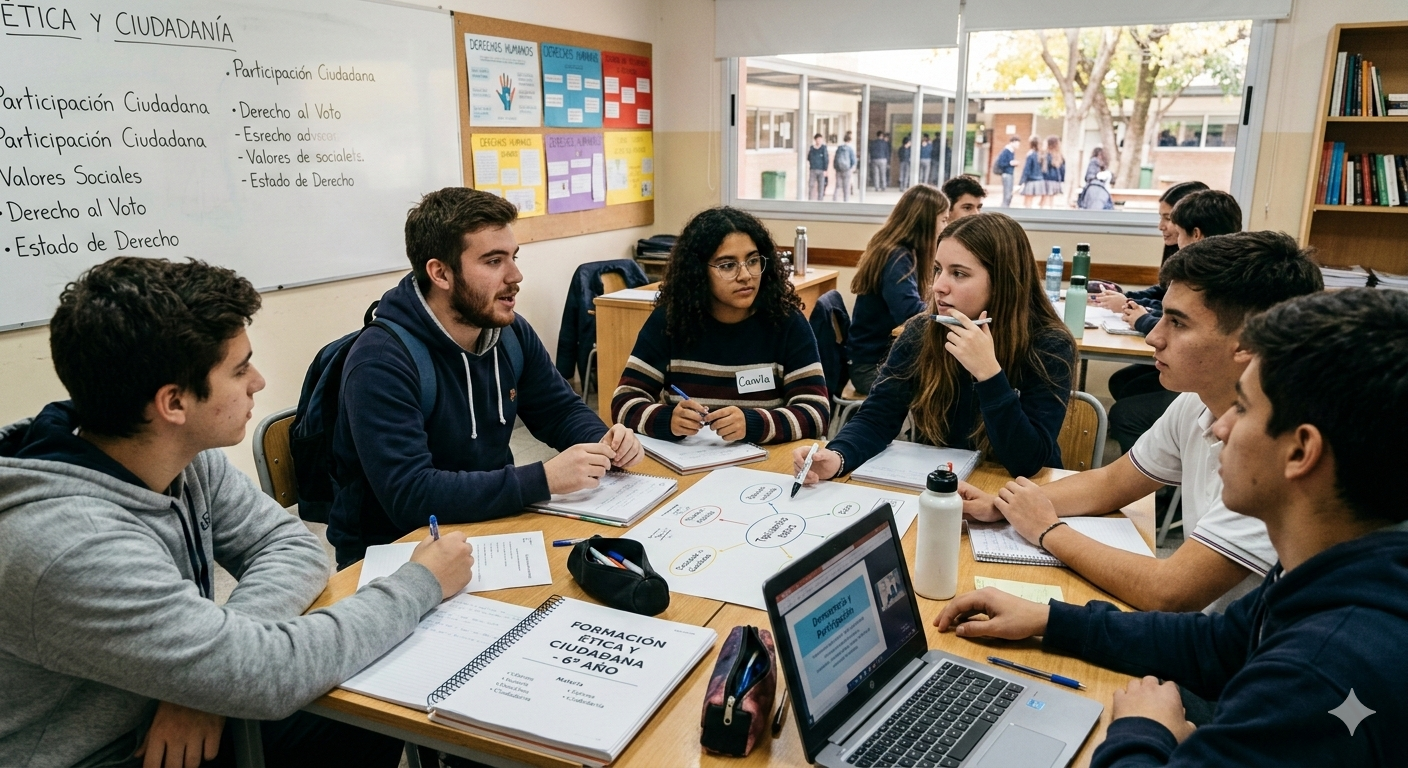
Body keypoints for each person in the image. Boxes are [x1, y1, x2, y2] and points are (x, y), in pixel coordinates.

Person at [0, 257, 476, 768]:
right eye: (240, 367)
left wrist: (209, 678)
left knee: (375, 689)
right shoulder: (74, 545)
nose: (259, 382)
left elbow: (289, 546)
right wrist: (419, 582)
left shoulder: (175, 454)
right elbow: (270, 672)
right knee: (369, 666)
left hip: (166, 714)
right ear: (173, 403)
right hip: (104, 755)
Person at [936, 288, 1408, 767]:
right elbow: (1214, 644)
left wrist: (1142, 731)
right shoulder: (1329, 570)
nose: (1219, 428)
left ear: (1301, 452)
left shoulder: (1316, 676)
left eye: (1242, 410)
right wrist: (1052, 620)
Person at [962, 231, 1324, 613]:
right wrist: (1002, 506)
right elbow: (1112, 482)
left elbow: (1169, 591)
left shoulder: (1279, 451)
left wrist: (1048, 531)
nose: (1153, 335)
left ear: (1248, 342)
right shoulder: (1194, 403)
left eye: (1178, 323)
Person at [329, 188, 643, 567]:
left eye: (513, 257)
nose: (515, 276)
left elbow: (559, 411)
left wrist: (605, 442)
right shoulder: (380, 361)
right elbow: (410, 497)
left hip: (489, 525)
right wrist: (543, 479)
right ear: (440, 273)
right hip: (396, 552)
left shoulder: (509, 333)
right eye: (494, 261)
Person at [797, 213, 1076, 482]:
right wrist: (837, 455)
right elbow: (877, 416)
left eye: (959, 274)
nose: (939, 286)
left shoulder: (1049, 344)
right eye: (938, 270)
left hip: (1019, 495)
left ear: (1003, 281)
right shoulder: (923, 331)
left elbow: (1026, 462)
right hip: (945, 486)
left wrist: (989, 374)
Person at [612, 207, 829, 444]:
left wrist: (754, 424)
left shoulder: (786, 322)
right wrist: (668, 419)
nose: (745, 275)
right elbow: (624, 403)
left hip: (765, 468)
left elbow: (816, 413)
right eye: (728, 266)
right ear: (698, 272)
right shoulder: (671, 321)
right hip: (690, 465)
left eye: (753, 261)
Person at [1096, 184, 1234, 455]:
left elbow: (1173, 314)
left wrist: (1140, 316)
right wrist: (1130, 299)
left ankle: (1163, 486)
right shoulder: (1196, 265)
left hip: (1210, 381)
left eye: (1170, 221)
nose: (1163, 227)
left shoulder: (1215, 276)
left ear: (1195, 234)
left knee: (1126, 414)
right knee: (1126, 383)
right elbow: (1163, 297)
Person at [846, 185, 951, 394]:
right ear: (926, 221)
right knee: (945, 383)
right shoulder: (896, 256)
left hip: (876, 361)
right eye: (944, 220)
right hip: (870, 369)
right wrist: (949, 312)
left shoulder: (902, 252)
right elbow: (909, 311)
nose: (946, 227)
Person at [992, 135, 1021, 207]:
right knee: (1007, 194)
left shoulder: (1011, 151)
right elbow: (1001, 163)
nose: (1018, 146)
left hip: (1009, 173)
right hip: (1006, 174)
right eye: (1017, 143)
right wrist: (1011, 163)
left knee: (1009, 193)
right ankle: (1004, 208)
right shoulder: (1006, 151)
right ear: (1013, 142)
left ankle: (1006, 207)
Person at [1018, 135, 1044, 208]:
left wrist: (1021, 181)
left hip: (1031, 181)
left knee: (1027, 202)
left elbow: (1027, 169)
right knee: (1035, 202)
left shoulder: (1030, 154)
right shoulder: (1041, 154)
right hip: (1040, 180)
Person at [1042, 135, 1065, 208]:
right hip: (1055, 180)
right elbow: (1063, 169)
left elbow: (1044, 168)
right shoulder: (1060, 156)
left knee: (1044, 198)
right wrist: (1061, 180)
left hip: (1047, 179)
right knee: (1051, 200)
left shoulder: (1047, 155)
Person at [833, 131, 857, 202]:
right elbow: (853, 160)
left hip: (839, 170)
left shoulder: (839, 148)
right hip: (847, 170)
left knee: (838, 186)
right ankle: (846, 200)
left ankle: (835, 200)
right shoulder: (850, 148)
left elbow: (835, 159)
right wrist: (852, 167)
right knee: (846, 186)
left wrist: (836, 168)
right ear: (850, 140)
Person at [807, 133, 829, 201]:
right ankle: (810, 199)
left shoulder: (823, 148)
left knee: (821, 186)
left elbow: (826, 159)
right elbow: (808, 157)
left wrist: (825, 169)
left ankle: (820, 200)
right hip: (813, 169)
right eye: (818, 139)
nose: (819, 141)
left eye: (820, 139)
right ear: (815, 140)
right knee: (811, 185)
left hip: (821, 169)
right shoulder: (812, 148)